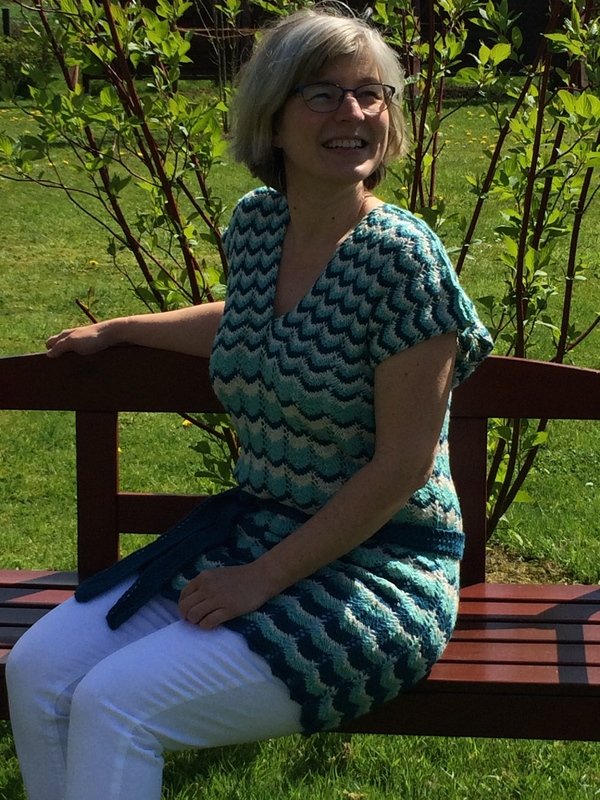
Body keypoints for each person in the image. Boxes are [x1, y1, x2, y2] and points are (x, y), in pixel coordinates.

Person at [6, 5, 493, 800]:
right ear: (272, 118)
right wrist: (122, 330)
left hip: (379, 568)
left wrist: (261, 579)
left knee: (117, 705)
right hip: (255, 533)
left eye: (371, 94)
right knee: (37, 670)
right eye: (323, 94)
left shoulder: (405, 262)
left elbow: (403, 467)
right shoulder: (261, 224)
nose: (354, 113)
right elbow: (256, 324)